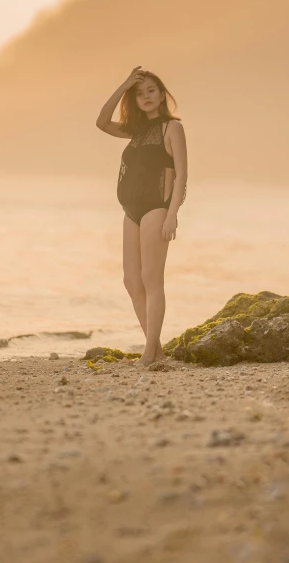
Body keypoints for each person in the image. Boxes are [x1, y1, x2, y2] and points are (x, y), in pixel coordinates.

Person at [96, 66, 188, 367]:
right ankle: (156, 349)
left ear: (162, 95)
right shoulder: (135, 131)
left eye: (151, 91)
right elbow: (101, 122)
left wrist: (172, 214)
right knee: (131, 281)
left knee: (151, 278)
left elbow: (182, 176)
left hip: (156, 208)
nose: (145, 97)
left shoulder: (171, 128)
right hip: (130, 211)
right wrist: (123, 85)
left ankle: (149, 353)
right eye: (139, 93)